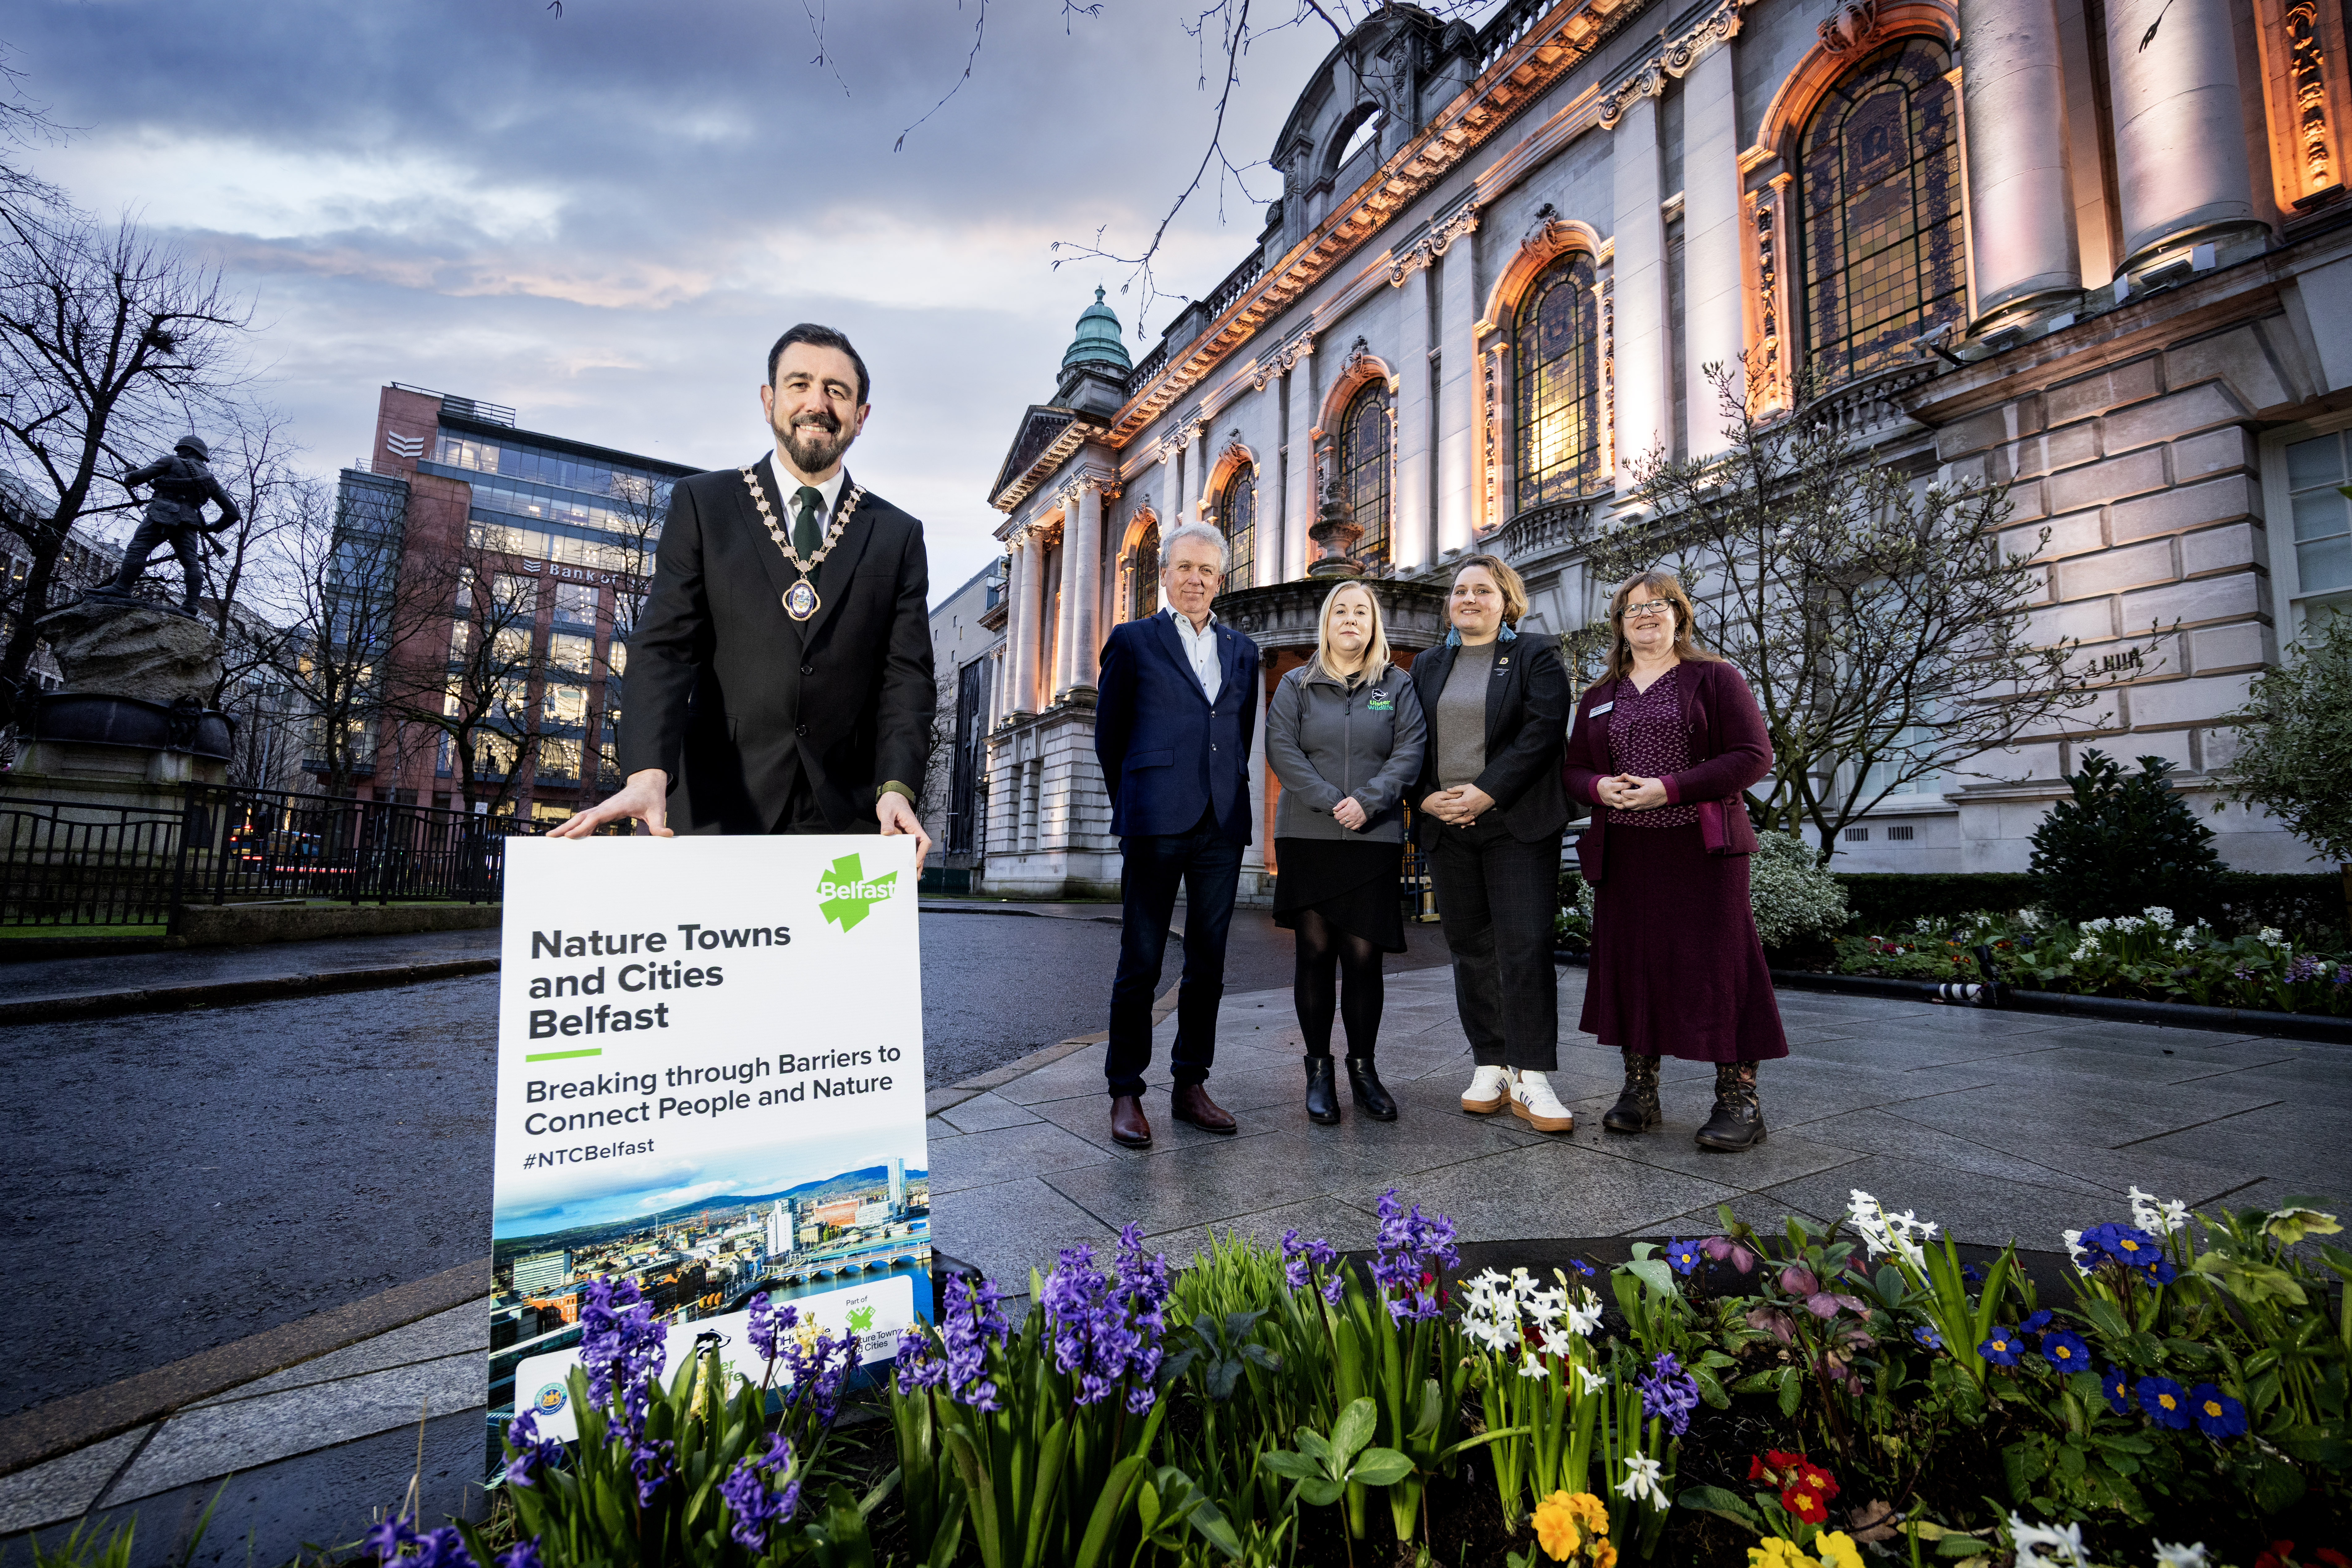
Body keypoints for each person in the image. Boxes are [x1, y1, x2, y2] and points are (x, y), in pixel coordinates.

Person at [552, 323, 934, 856]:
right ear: (768, 399)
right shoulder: (702, 505)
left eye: (837, 391)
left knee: (834, 944)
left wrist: (896, 788)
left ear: (860, 416)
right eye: (799, 384)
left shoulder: (897, 534)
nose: (816, 403)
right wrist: (645, 772)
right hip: (715, 805)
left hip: (847, 819)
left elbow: (906, 678)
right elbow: (664, 647)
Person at [1562, 571, 1786, 1151]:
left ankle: (1738, 1100)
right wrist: (1596, 788)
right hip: (1626, 852)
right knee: (1633, 966)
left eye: (1656, 605)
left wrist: (1671, 787)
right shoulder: (1598, 695)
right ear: (1618, 623)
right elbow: (1573, 769)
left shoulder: (1713, 678)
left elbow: (1752, 755)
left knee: (1719, 968)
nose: (1644, 615)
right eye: (1631, 608)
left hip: (1700, 848)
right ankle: (1640, 1092)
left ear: (1678, 616)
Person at [1094, 522, 1262, 1149]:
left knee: (1209, 963)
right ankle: (1126, 1090)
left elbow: (1238, 733)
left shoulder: (1242, 650)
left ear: (1221, 581)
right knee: (1140, 961)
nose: (1195, 580)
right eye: (1185, 568)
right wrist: (1132, 805)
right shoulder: (1133, 641)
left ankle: (1190, 1084)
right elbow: (1109, 739)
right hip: (1155, 819)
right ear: (1164, 573)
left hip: (1220, 823)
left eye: (1208, 572)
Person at [1409, 554, 1574, 1133]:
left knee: (1523, 945)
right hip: (1446, 826)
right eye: (1459, 591)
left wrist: (1484, 792)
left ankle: (1532, 1073)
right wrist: (1423, 797)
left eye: (1482, 590)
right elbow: (1407, 741)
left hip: (1515, 824)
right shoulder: (1428, 665)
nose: (1469, 599)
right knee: (1470, 948)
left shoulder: (1534, 655)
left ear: (1506, 599)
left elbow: (1541, 733)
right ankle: (1490, 1063)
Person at [1265, 581, 1428, 1125]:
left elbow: (1409, 750)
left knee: (1363, 958)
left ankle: (1363, 1070)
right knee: (1313, 954)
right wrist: (1332, 800)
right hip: (1307, 834)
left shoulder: (1397, 685)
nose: (1351, 620)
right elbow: (1281, 749)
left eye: (1361, 611)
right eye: (1341, 611)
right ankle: (1317, 1071)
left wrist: (1369, 801)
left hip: (1372, 835)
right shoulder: (1295, 683)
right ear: (1326, 622)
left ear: (1373, 623)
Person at [108, 437, 240, 615]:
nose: (178, 452)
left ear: (189, 451)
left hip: (161, 514)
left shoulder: (171, 461)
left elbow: (135, 479)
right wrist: (211, 528)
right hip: (189, 523)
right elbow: (233, 513)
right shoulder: (210, 480)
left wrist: (130, 472)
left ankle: (121, 588)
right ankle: (191, 604)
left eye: (181, 449)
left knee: (138, 549)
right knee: (191, 563)